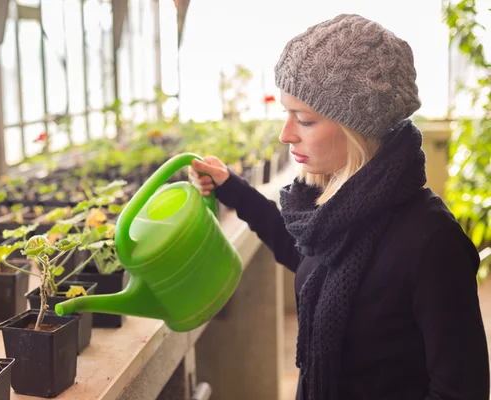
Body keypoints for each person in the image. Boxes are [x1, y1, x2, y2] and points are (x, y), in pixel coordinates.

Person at [189, 14, 490, 400]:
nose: (286, 134)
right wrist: (233, 188)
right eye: (286, 113)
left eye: (305, 119)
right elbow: (303, 252)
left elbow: (460, 391)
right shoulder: (331, 213)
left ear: (358, 128)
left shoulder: (432, 243)